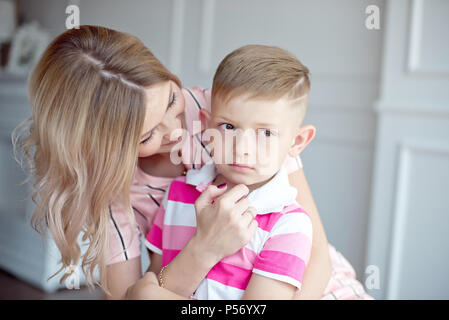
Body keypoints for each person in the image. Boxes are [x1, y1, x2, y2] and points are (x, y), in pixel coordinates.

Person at [13, 25, 357, 300]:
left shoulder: (235, 115)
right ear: (106, 150)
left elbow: (315, 260)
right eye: (147, 136)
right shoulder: (114, 198)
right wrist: (204, 248)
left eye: (171, 100)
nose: (178, 132)